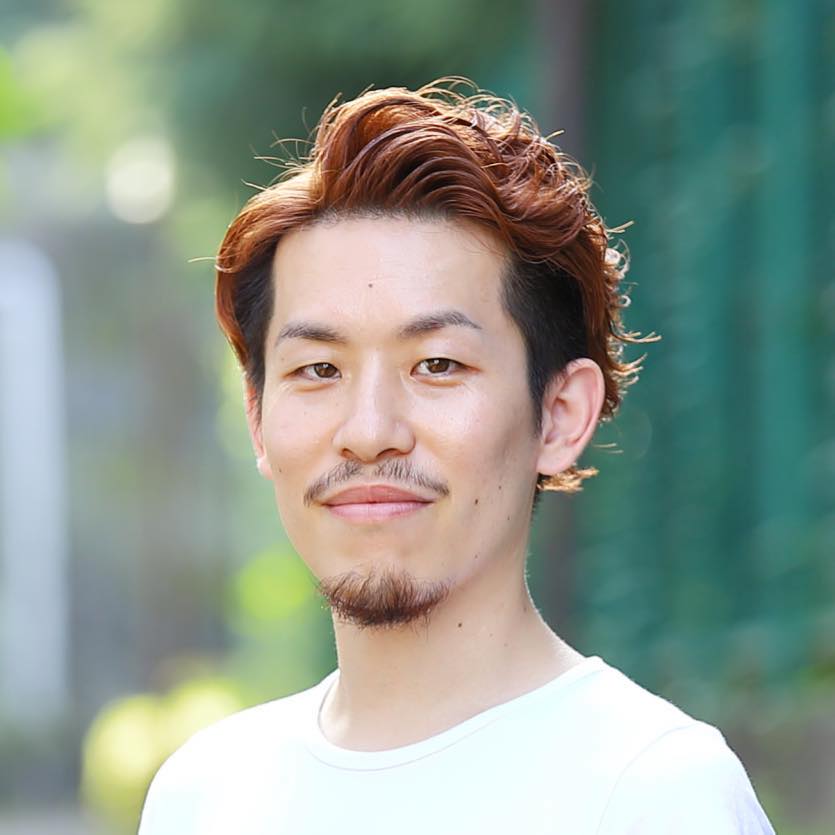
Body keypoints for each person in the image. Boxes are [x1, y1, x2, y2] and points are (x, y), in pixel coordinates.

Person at [138, 79, 775, 834]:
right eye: (318, 369)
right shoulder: (203, 795)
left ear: (560, 414)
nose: (368, 431)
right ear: (257, 419)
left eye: (437, 364)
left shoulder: (653, 792)